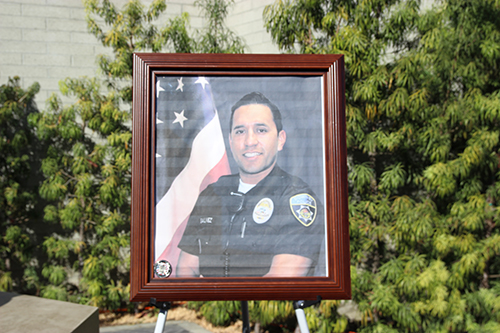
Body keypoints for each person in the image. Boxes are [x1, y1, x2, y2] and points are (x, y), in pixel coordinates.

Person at [176, 92, 324, 277]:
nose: (249, 141)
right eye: (240, 131)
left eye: (261, 130)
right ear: (230, 141)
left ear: (280, 139)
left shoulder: (295, 199)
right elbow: (185, 270)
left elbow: (280, 282)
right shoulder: (212, 195)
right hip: (207, 304)